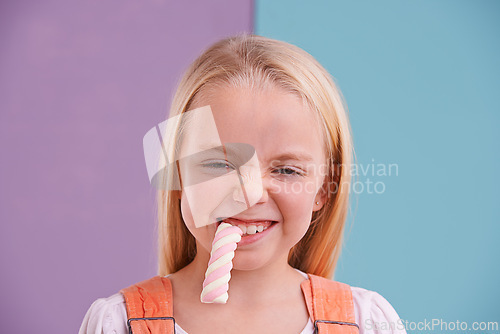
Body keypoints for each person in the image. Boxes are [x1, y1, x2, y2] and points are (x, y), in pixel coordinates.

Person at [79, 34, 406, 334]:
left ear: (323, 188)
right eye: (219, 164)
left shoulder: (368, 322)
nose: (249, 195)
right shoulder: (116, 323)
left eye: (287, 170)